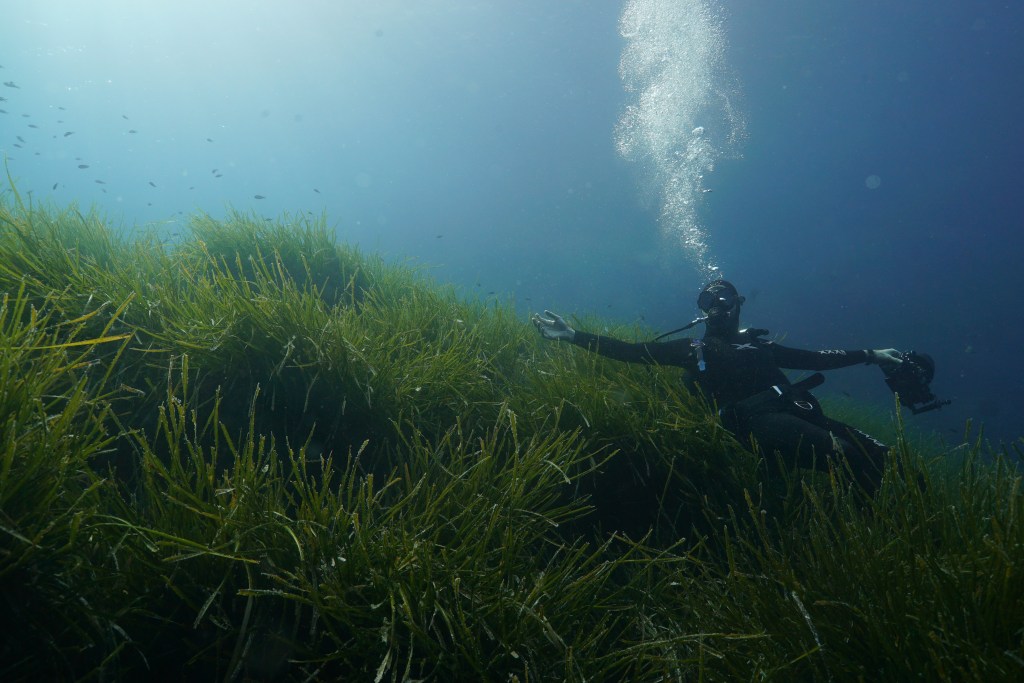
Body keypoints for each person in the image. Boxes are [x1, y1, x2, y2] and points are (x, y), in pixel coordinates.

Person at [531, 279, 904, 494]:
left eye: (723, 299)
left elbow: (816, 358)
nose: (715, 306)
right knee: (847, 457)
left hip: (801, 412)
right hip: (759, 424)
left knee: (887, 460)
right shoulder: (694, 348)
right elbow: (632, 352)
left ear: (738, 304)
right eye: (707, 300)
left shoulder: (761, 345)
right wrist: (573, 335)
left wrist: (872, 354)